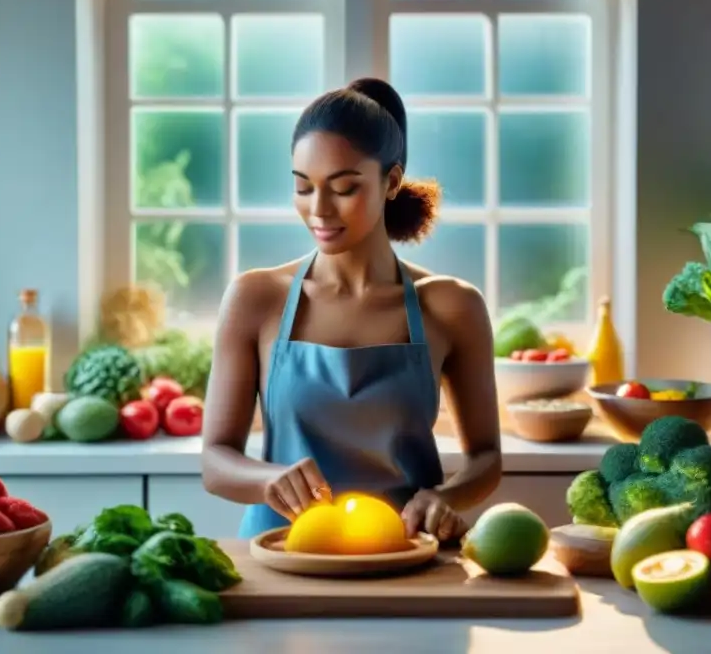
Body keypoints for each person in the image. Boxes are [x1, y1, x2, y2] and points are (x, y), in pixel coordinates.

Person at [202, 77, 502, 543]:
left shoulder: (452, 306)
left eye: (343, 188)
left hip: (405, 555)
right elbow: (215, 461)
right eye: (303, 188)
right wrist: (267, 480)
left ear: (392, 182)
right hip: (282, 553)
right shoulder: (255, 299)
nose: (319, 209)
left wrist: (448, 496)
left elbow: (485, 458)